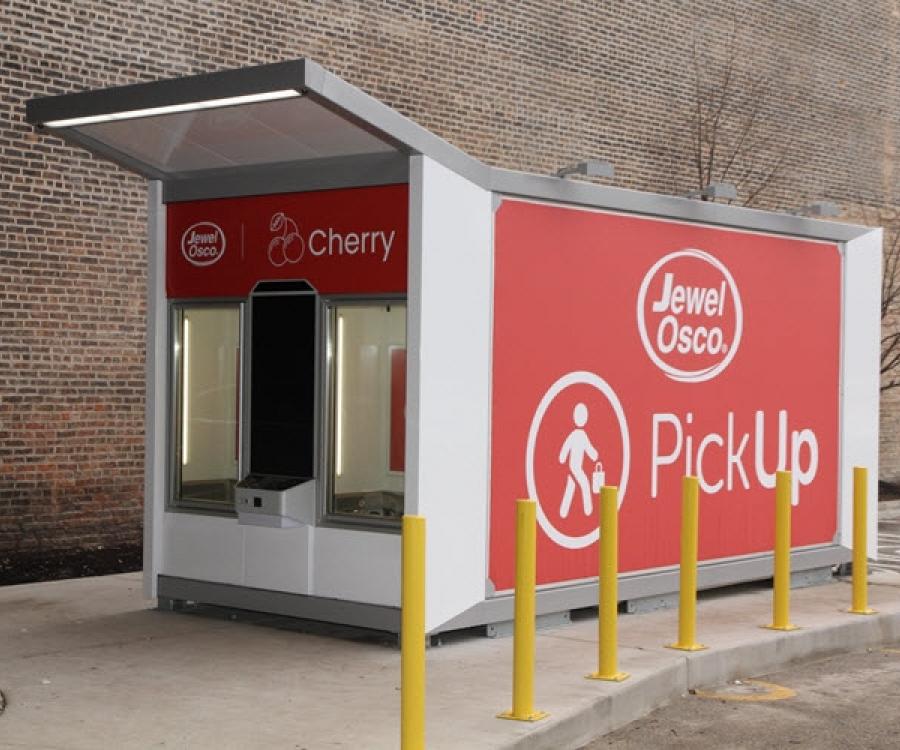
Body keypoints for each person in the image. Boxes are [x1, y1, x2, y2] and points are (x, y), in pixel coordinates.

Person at [558, 403, 598, 518]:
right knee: (585, 484)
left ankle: (563, 512)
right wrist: (595, 455)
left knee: (571, 487)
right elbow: (589, 450)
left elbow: (588, 449)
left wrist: (562, 457)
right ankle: (588, 510)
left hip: (573, 467)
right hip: (575, 467)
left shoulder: (577, 435)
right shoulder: (579, 436)